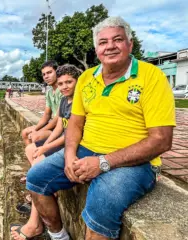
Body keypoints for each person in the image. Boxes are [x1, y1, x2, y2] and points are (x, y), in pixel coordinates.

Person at [25, 16, 175, 240]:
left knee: (101, 206)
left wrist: (104, 162)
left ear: (130, 44)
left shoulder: (152, 77)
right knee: (36, 178)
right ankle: (58, 236)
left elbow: (162, 140)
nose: (110, 46)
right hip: (87, 149)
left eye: (118, 39)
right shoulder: (86, 78)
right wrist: (69, 155)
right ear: (96, 49)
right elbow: (75, 123)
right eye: (103, 42)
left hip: (136, 162)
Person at [11, 64, 81, 240]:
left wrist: (46, 147)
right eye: (62, 82)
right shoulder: (65, 100)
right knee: (31, 149)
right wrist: (45, 144)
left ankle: (35, 224)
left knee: (38, 167)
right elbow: (59, 126)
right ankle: (39, 195)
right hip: (62, 140)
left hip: (74, 145)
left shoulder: (79, 102)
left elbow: (71, 134)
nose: (64, 86)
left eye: (69, 82)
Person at [21, 61, 63, 146]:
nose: (46, 76)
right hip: (53, 126)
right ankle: (32, 157)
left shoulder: (63, 91)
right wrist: (36, 129)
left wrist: (39, 131)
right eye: (44, 74)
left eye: (49, 72)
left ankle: (38, 157)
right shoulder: (49, 92)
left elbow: (57, 119)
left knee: (35, 137)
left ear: (57, 72)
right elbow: (46, 115)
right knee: (25, 132)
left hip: (62, 127)